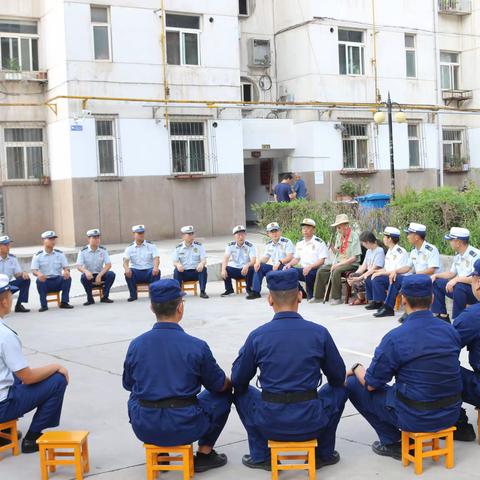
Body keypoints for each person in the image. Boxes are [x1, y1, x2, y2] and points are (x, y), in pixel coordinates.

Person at [232, 269, 347, 470]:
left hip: (270, 421)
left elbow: (238, 379)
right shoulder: (319, 333)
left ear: (270, 300)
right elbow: (337, 377)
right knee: (341, 388)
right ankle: (324, 453)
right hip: (311, 420)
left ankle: (261, 455)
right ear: (300, 296)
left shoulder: (258, 336)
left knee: (241, 392)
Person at [346, 275, 463, 460]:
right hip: (450, 413)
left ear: (404, 300)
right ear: (432, 298)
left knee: (354, 383)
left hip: (416, 416)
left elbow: (371, 384)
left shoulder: (396, 337)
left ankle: (392, 442)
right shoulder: (450, 331)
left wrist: (357, 366)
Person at [122, 279, 232, 472]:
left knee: (137, 394)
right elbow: (218, 384)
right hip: (186, 426)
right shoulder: (196, 346)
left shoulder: (136, 344)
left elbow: (128, 383)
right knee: (222, 394)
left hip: (145, 425)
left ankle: (160, 454)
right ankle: (205, 453)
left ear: (151, 307)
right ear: (180, 308)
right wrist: (230, 382)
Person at [0, 274, 68, 453]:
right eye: (10, 295)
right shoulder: (5, 335)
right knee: (57, 380)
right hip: (2, 406)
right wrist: (55, 366)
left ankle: (5, 430)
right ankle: (33, 437)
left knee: (13, 374)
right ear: (4, 302)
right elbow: (27, 377)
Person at [374, 223, 440, 321]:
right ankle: (388, 308)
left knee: (410, 281)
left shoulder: (431, 249)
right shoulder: (414, 251)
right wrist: (395, 271)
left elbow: (432, 270)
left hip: (428, 279)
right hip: (417, 277)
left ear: (417, 237)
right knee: (396, 278)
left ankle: (409, 312)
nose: (407, 236)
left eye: (409, 234)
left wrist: (415, 275)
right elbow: (407, 267)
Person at [452, 258, 480, 442]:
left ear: (477, 283)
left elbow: (444, 349)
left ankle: (458, 424)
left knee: (439, 367)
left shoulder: (473, 316)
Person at [310, 214, 361, 305]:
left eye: (338, 227)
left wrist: (338, 265)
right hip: (339, 261)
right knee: (322, 270)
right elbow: (338, 252)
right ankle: (318, 296)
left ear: (345, 226)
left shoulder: (354, 236)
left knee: (336, 270)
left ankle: (336, 297)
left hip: (351, 263)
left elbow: (354, 258)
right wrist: (332, 247)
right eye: (337, 228)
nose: (337, 230)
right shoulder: (339, 236)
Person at [431, 227, 480, 322]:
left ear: (458, 242)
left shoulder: (476, 255)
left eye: (451, 240)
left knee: (459, 286)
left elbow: (476, 279)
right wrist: (436, 276)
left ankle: (458, 319)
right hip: (460, 289)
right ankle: (442, 316)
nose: (450, 243)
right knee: (436, 282)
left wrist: (456, 280)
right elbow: (451, 273)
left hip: (474, 290)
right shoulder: (458, 255)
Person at [246, 222, 294, 300]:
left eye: (276, 231)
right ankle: (256, 292)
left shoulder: (286, 242)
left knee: (281, 267)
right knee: (259, 266)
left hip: (285, 267)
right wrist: (258, 262)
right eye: (272, 232)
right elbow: (265, 258)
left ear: (280, 231)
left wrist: (280, 262)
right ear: (268, 234)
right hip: (274, 267)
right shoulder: (269, 244)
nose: (274, 233)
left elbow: (290, 257)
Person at [366, 227, 409, 311]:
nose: (383, 239)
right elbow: (386, 268)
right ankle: (376, 302)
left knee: (377, 278)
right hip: (389, 275)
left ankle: (382, 303)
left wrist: (380, 273)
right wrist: (375, 271)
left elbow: (397, 271)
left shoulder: (400, 252)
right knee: (371, 276)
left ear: (390, 239)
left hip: (398, 277)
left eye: (385, 237)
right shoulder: (389, 251)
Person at [284, 218, 328, 299]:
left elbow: (322, 261)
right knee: (288, 271)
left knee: (308, 272)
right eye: (303, 228)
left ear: (313, 230)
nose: (305, 230)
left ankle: (310, 296)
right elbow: (296, 259)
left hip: (317, 270)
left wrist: (310, 267)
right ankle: (302, 292)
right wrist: (289, 264)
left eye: (308, 228)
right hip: (304, 269)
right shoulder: (300, 243)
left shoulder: (319, 242)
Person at [31, 231, 73, 312]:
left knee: (68, 278)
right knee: (39, 281)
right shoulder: (38, 255)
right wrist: (39, 274)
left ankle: (64, 302)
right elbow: (34, 270)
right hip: (45, 281)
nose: (52, 241)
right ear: (43, 240)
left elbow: (66, 267)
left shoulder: (60, 254)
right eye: (50, 239)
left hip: (57, 280)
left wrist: (66, 271)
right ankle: (44, 305)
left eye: (53, 239)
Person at [76, 229, 116, 306]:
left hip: (100, 274)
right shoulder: (83, 251)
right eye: (94, 238)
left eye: (98, 237)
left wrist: (100, 275)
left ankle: (104, 296)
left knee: (111, 274)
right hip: (89, 275)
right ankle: (90, 298)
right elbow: (78, 266)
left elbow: (108, 264)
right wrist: (86, 271)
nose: (97, 240)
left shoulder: (103, 250)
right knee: (83, 277)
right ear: (88, 239)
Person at [123, 225, 160, 302]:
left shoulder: (151, 246)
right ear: (134, 234)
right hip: (136, 271)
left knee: (157, 271)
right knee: (128, 273)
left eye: (142, 233)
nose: (141, 235)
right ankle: (133, 295)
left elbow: (156, 258)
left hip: (149, 271)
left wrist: (156, 267)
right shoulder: (130, 248)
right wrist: (127, 269)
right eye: (139, 233)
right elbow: (125, 261)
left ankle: (154, 294)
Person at [347, 231, 385, 306]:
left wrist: (359, 278)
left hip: (375, 274)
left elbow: (374, 269)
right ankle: (361, 298)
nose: (363, 245)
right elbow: (364, 266)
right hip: (368, 273)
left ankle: (374, 300)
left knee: (365, 279)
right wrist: (355, 275)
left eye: (363, 243)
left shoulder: (379, 251)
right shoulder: (368, 251)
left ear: (367, 242)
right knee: (353, 276)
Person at [173, 226, 209, 299]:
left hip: (196, 271)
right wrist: (178, 264)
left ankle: (202, 291)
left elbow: (204, 259)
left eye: (192, 234)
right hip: (184, 272)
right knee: (176, 270)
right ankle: (178, 293)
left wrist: (201, 264)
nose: (191, 236)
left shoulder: (199, 246)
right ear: (183, 236)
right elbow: (174, 261)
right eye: (189, 234)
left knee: (204, 269)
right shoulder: (178, 248)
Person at [220, 226, 257, 297]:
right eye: (238, 235)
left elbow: (253, 260)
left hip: (246, 271)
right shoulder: (230, 245)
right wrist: (223, 270)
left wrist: (247, 265)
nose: (241, 237)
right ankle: (229, 290)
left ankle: (249, 290)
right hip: (236, 270)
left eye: (243, 234)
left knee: (251, 269)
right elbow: (225, 258)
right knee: (225, 269)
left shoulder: (250, 246)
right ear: (234, 236)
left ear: (245, 235)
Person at [0, 235, 30, 313]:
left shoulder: (12, 259)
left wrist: (23, 273)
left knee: (25, 279)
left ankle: (19, 305)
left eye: (9, 244)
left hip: (7, 286)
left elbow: (17, 275)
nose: (8, 247)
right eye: (6, 245)